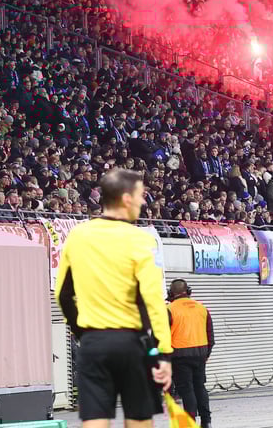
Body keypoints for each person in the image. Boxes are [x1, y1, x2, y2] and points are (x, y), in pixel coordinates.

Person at [56, 168, 173, 428]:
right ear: (126, 199)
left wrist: (82, 332)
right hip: (132, 343)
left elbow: (63, 294)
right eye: (141, 195)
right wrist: (163, 351)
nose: (144, 202)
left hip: (93, 342)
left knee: (95, 419)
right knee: (139, 419)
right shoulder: (140, 240)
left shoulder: (78, 235)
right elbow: (153, 300)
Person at [167, 279, 214, 428]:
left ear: (170, 293)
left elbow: (161, 337)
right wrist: (206, 354)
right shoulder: (202, 308)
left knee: (186, 389)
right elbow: (210, 335)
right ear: (188, 291)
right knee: (200, 387)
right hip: (200, 354)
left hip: (179, 356)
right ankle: (206, 422)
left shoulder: (169, 309)